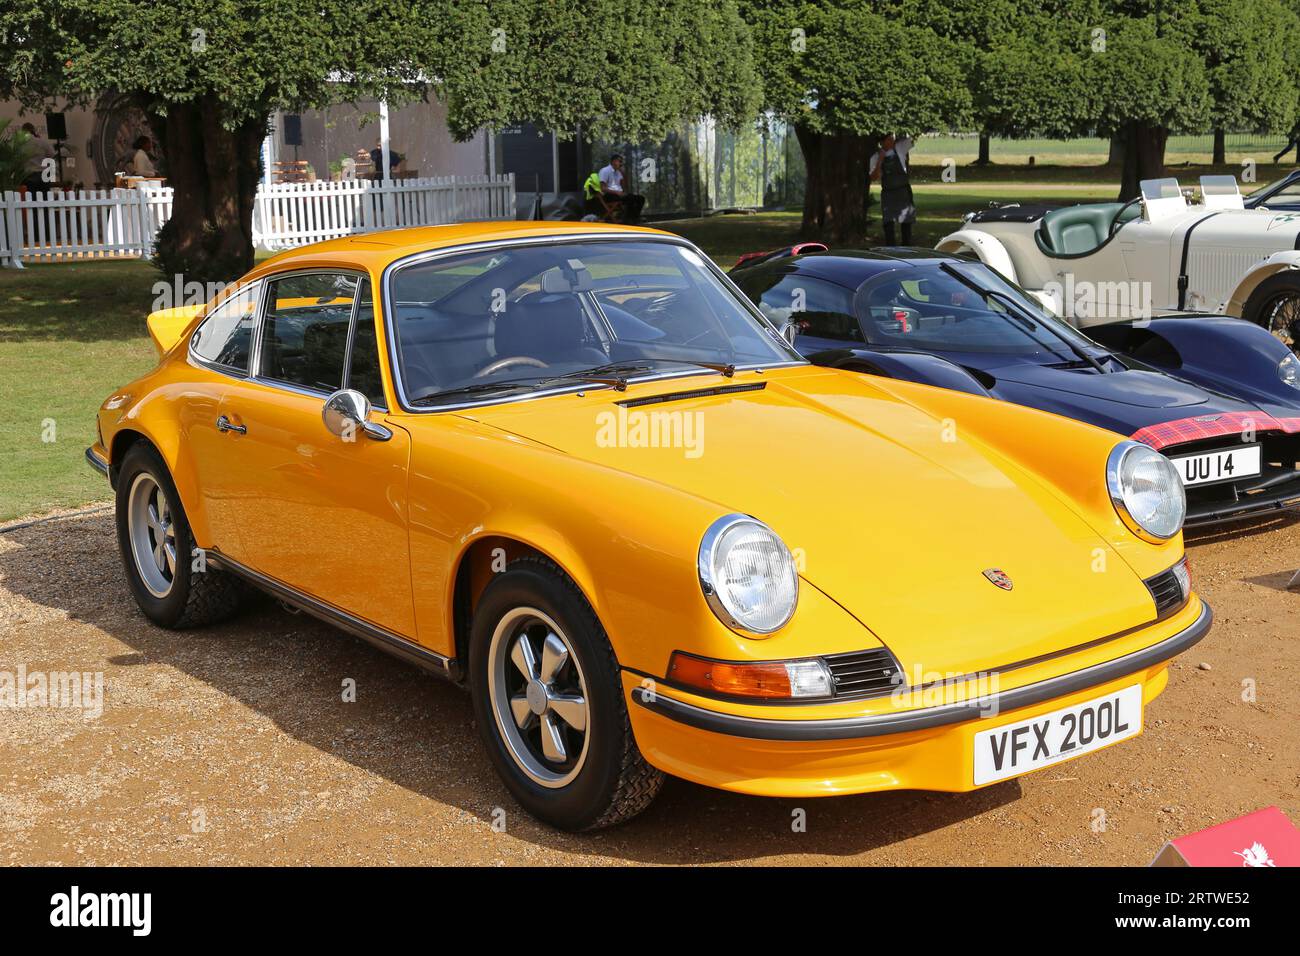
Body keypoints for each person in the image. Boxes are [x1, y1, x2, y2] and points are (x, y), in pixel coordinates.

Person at [869, 133, 916, 246]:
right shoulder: (875, 157)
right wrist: (880, 160)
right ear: (882, 141)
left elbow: (912, 138)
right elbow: (873, 177)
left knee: (906, 222)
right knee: (888, 223)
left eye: (892, 138)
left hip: (903, 191)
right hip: (888, 193)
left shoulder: (900, 148)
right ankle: (891, 248)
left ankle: (907, 247)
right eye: (889, 138)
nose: (892, 140)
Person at [597, 154, 645, 223]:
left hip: (619, 194)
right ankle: (628, 219)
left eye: (621, 162)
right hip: (608, 195)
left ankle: (634, 218)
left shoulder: (618, 172)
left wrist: (623, 173)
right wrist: (617, 192)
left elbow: (624, 187)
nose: (621, 163)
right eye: (619, 161)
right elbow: (603, 188)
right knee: (630, 198)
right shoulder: (605, 171)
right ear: (613, 161)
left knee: (640, 198)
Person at [20, 122, 56, 196]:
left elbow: (17, 159)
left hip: (28, 175)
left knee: (31, 200)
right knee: (45, 199)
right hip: (43, 175)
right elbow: (52, 154)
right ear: (33, 130)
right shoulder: (41, 142)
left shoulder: (21, 144)